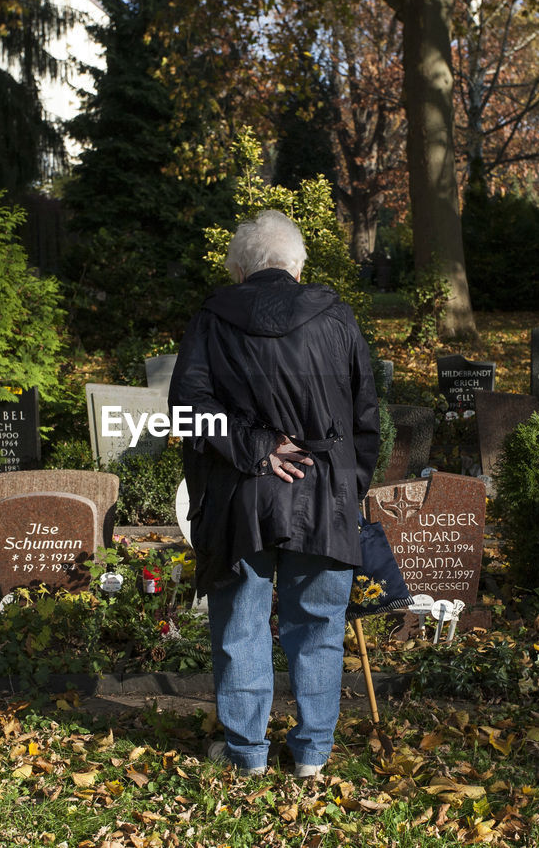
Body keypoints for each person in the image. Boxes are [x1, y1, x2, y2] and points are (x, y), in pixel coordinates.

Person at [169, 210, 380, 778]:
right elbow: (366, 419)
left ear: (240, 269)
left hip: (242, 497)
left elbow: (190, 414)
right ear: (296, 265)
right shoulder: (337, 318)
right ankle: (311, 754)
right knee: (319, 625)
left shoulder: (212, 319)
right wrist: (343, 486)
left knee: (240, 621)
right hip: (324, 495)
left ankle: (246, 754)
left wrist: (256, 449)